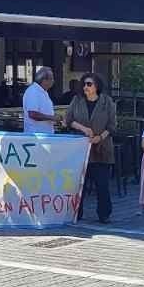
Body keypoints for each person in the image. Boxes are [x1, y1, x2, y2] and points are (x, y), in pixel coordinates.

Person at [65, 74, 116, 223]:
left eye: (89, 84)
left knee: (102, 184)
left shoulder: (107, 102)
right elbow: (69, 120)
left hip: (101, 148)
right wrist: (83, 128)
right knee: (78, 183)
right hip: (80, 149)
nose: (85, 87)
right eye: (84, 84)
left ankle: (104, 214)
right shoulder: (77, 100)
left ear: (96, 86)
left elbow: (112, 126)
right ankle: (76, 212)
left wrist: (100, 137)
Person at [22, 66, 56, 135]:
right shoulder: (33, 91)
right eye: (51, 79)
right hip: (36, 136)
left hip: (45, 135)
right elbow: (32, 114)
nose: (53, 81)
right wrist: (52, 117)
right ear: (44, 80)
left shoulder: (44, 92)